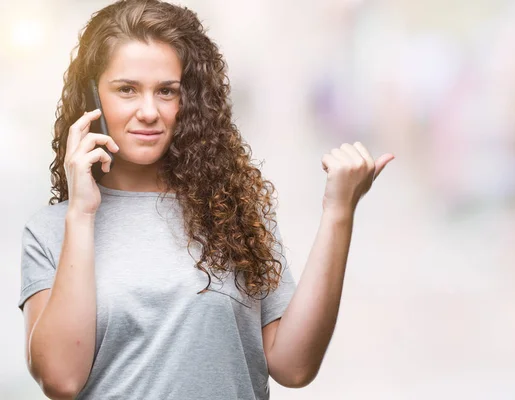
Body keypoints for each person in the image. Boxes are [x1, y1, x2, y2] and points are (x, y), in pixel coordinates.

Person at [18, 1, 395, 399]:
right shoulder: (49, 231)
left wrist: (339, 212)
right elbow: (61, 380)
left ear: (189, 102)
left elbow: (294, 365)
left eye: (166, 91)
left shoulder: (231, 213)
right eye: (127, 89)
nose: (149, 111)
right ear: (93, 98)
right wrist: (81, 213)